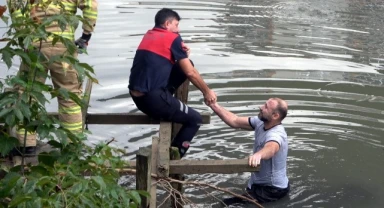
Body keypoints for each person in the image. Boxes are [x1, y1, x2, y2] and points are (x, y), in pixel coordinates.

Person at [8, 0, 98, 158]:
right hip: (64, 46)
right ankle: (72, 146)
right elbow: (91, 5)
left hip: (35, 44)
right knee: (70, 96)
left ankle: (26, 145)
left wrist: (24, 39)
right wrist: (86, 35)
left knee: (27, 93)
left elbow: (16, 9)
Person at [128, 8, 216, 157]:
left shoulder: (150, 35)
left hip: (138, 97)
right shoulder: (173, 38)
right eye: (176, 25)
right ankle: (172, 159)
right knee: (195, 119)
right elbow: (190, 73)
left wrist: (182, 54)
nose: (178, 29)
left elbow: (166, 62)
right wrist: (207, 92)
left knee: (186, 64)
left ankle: (167, 100)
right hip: (152, 100)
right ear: (167, 24)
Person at [209, 98, 290, 203]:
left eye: (266, 107)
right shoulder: (260, 122)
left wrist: (259, 155)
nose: (260, 107)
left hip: (272, 190)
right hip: (258, 184)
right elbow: (235, 120)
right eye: (264, 104)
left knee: (224, 204)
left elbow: (272, 148)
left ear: (275, 116)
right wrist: (214, 105)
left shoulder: (276, 134)